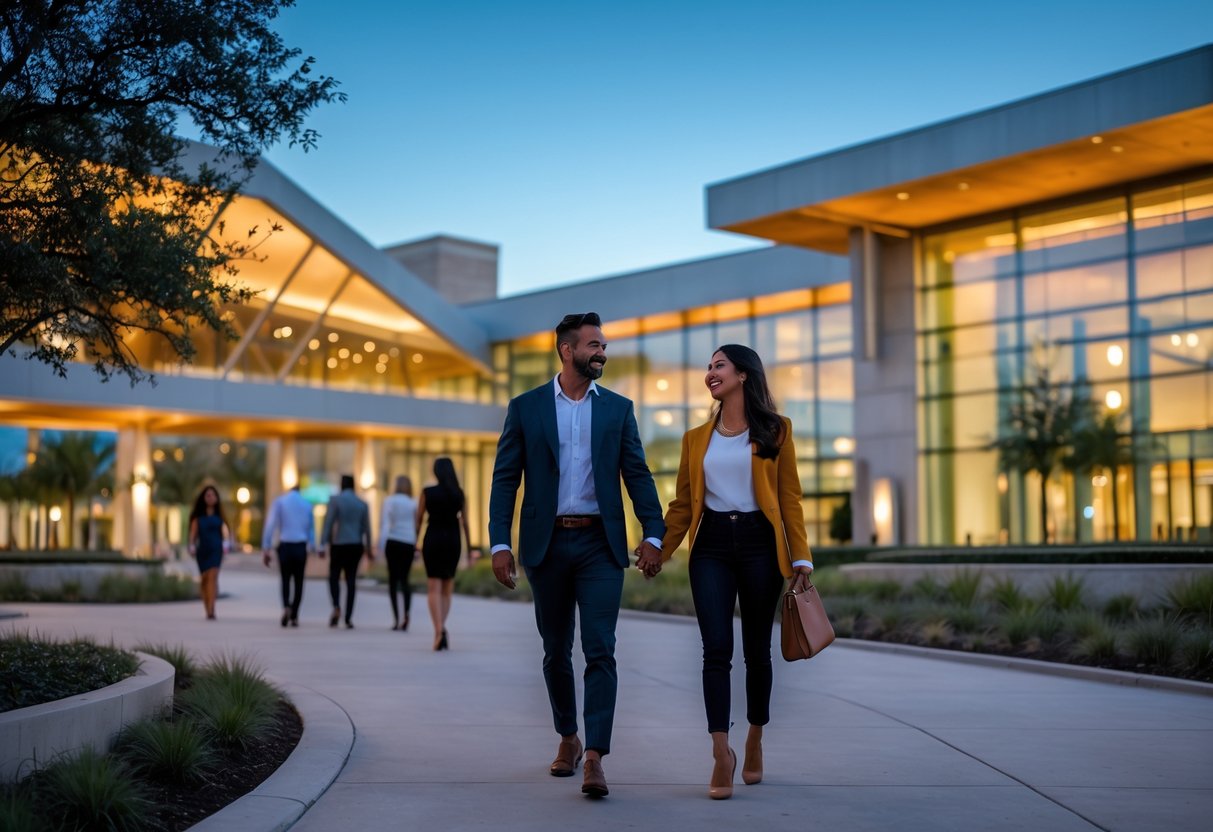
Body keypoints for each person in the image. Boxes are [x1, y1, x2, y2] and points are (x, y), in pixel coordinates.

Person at [489, 312, 665, 799]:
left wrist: (655, 532)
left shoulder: (617, 408)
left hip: (599, 545)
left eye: (603, 344)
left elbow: (638, 474)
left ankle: (595, 758)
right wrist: (500, 543)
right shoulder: (526, 408)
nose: (601, 351)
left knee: (600, 649)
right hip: (547, 545)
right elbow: (506, 478)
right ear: (567, 350)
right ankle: (568, 735)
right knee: (554, 651)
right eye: (593, 344)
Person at [637, 344, 813, 800]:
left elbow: (789, 498)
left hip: (760, 543)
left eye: (719, 365)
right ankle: (721, 752)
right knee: (715, 649)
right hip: (711, 544)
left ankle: (754, 738)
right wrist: (660, 547)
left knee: (757, 651)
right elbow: (681, 503)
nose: (710, 373)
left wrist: (801, 557)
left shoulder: (776, 430)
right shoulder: (696, 438)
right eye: (709, 367)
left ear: (743, 375)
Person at [415, 458, 470, 650]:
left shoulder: (427, 492)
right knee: (447, 587)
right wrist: (470, 549)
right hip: (453, 540)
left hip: (433, 539)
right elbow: (465, 523)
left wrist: (415, 541)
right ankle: (441, 628)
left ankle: (438, 630)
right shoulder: (459, 494)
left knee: (433, 587)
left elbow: (419, 519)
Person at [320, 474, 373, 629]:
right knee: (351, 580)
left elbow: (328, 522)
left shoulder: (335, 500)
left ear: (341, 485)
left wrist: (322, 543)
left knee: (333, 577)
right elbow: (367, 528)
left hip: (339, 544)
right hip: (356, 545)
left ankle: (336, 606)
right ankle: (348, 617)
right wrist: (369, 548)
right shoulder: (362, 504)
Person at [261, 483, 316, 628]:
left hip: (285, 545)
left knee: (285, 579)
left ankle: (286, 606)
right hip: (300, 545)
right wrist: (313, 546)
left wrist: (266, 546)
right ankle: (295, 614)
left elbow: (271, 524)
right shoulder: (307, 504)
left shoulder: (280, 501)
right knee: (299, 581)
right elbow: (311, 528)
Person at [379, 475, 419, 631]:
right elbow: (416, 524)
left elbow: (385, 524)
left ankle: (396, 618)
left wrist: (381, 545)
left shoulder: (389, 501)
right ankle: (407, 614)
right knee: (405, 579)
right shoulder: (413, 502)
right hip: (408, 542)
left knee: (393, 580)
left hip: (393, 541)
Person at [188, 484, 231, 621]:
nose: (210, 497)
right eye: (208, 495)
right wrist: (191, 546)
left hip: (216, 550)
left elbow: (227, 534)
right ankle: (207, 607)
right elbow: (193, 535)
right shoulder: (198, 518)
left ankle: (212, 609)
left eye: (213, 495)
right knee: (205, 579)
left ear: (217, 498)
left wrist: (227, 544)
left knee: (213, 576)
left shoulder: (221, 517)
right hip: (203, 551)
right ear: (203, 498)